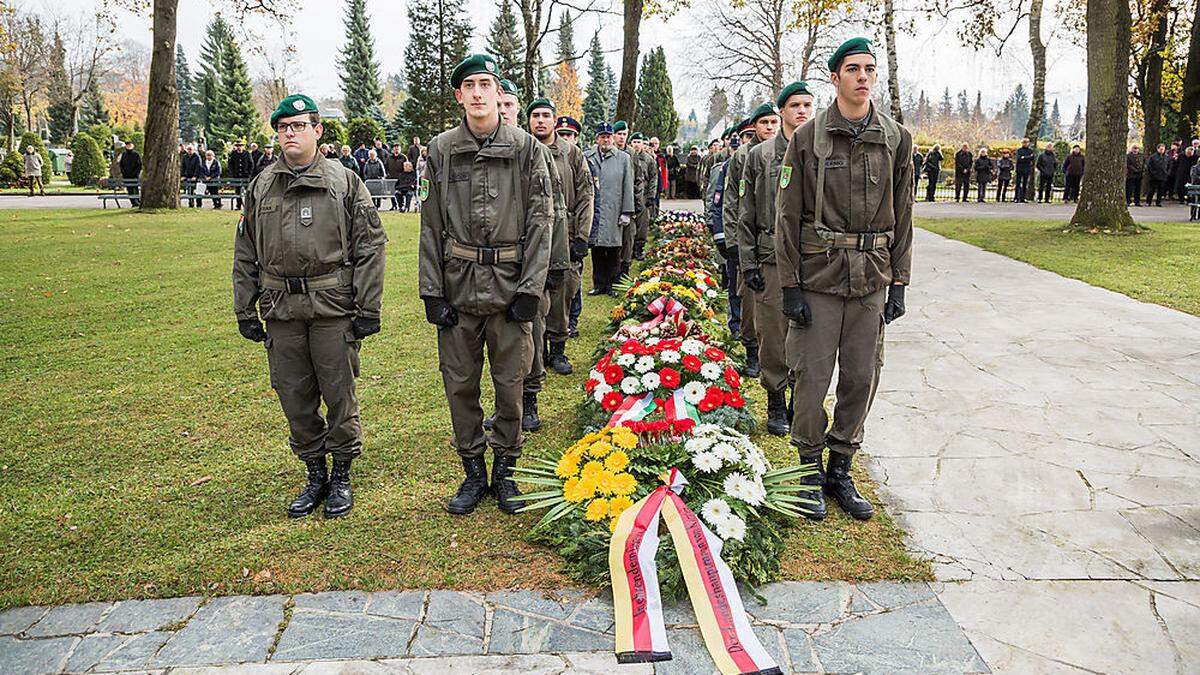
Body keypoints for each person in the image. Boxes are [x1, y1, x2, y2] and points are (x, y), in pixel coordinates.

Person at [775, 37, 913, 522]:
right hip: (819, 276)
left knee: (861, 377)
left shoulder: (897, 137)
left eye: (869, 69)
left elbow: (905, 213)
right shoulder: (808, 137)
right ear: (834, 77)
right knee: (811, 379)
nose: (862, 76)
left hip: (872, 277)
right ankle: (808, 470)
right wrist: (789, 285)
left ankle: (840, 468)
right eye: (852, 68)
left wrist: (899, 281)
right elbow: (787, 217)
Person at [232, 93, 387, 520]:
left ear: (317, 130)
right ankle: (314, 471)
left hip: (332, 307)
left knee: (339, 394)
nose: (290, 134)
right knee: (294, 396)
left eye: (299, 126)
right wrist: (245, 309)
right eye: (283, 128)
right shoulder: (261, 185)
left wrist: (368, 307)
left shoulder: (344, 182)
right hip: (281, 308)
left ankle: (341, 474)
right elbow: (245, 252)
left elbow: (371, 246)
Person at [417, 54, 552, 517]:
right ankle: (473, 470)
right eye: (468, 85)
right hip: (458, 287)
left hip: (511, 287)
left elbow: (541, 221)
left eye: (485, 84)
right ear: (459, 95)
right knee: (460, 385)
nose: (477, 93)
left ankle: (507, 469)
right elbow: (431, 222)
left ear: (498, 92)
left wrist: (531, 289)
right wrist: (432, 291)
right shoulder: (440, 149)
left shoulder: (526, 148)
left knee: (510, 384)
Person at [489, 86, 566, 435]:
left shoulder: (533, 151)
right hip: (493, 269)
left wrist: (554, 263)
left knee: (530, 334)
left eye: (508, 105)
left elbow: (555, 212)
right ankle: (505, 404)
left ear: (517, 110)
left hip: (531, 262)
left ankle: (529, 400)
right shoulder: (485, 148)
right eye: (498, 103)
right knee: (501, 342)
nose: (502, 110)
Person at [738, 81, 813, 436]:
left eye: (808, 105)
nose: (802, 111)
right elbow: (746, 212)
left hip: (812, 259)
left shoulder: (820, 150)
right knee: (773, 332)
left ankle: (802, 398)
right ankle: (775, 399)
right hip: (770, 257)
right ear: (781, 111)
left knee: (809, 333)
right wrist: (748, 261)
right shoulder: (761, 155)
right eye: (795, 105)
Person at [529, 106, 592, 379]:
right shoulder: (524, 150)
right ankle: (537, 351)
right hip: (533, 237)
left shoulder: (571, 153)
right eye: (535, 116)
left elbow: (586, 194)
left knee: (562, 294)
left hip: (565, 236)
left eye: (546, 116)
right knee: (534, 296)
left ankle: (558, 348)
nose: (541, 121)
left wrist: (582, 236)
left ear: (554, 121)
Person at [724, 110, 773, 379]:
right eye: (764, 123)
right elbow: (733, 200)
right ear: (754, 127)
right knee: (750, 300)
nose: (769, 127)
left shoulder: (789, 149)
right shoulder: (743, 156)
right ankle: (752, 351)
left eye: (773, 122)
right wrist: (732, 240)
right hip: (748, 236)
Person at [585, 123, 635, 297]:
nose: (605, 140)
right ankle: (599, 284)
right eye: (602, 136)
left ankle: (613, 285)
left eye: (608, 136)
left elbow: (628, 186)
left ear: (612, 138)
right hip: (596, 209)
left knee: (614, 249)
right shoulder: (588, 157)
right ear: (597, 138)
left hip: (614, 209)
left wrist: (627, 211)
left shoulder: (623, 158)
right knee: (597, 249)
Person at [630, 132, 658, 262]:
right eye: (634, 142)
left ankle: (639, 248)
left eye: (638, 142)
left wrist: (651, 196)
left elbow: (653, 178)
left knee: (642, 223)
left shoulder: (648, 159)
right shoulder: (627, 156)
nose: (636, 145)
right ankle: (629, 248)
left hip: (644, 194)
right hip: (630, 192)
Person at [228, 140, 253, 210]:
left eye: (240, 146)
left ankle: (249, 206)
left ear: (243, 146)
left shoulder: (247, 153)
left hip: (245, 176)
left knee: (248, 191)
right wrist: (233, 173)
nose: (239, 147)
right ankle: (238, 205)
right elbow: (230, 164)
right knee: (237, 192)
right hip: (237, 176)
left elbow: (251, 164)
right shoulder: (233, 154)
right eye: (237, 146)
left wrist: (249, 173)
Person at [118, 140, 142, 207]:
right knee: (130, 189)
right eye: (127, 145)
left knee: (135, 188)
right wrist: (123, 173)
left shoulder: (136, 154)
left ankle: (137, 201)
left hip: (134, 175)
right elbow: (121, 165)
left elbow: (139, 165)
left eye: (129, 145)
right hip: (126, 175)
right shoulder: (124, 154)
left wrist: (136, 173)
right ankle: (134, 202)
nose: (128, 146)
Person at [181, 143, 202, 207]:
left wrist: (195, 176)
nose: (189, 151)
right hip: (188, 176)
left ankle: (199, 204)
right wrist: (183, 175)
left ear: (193, 150)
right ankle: (191, 203)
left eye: (190, 149)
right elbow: (183, 167)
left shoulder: (197, 157)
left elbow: (198, 167)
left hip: (196, 176)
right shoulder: (185, 157)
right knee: (190, 191)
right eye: (188, 149)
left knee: (198, 191)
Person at [1013, 138, 1035, 202]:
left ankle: (1023, 198)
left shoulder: (1030, 151)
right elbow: (1019, 159)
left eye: (1027, 142)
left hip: (1027, 169)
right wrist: (1027, 157)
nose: (1026, 144)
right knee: (1018, 183)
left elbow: (1032, 158)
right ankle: (1016, 197)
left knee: (1025, 184)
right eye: (1024, 142)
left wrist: (1024, 157)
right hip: (1020, 169)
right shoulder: (1019, 150)